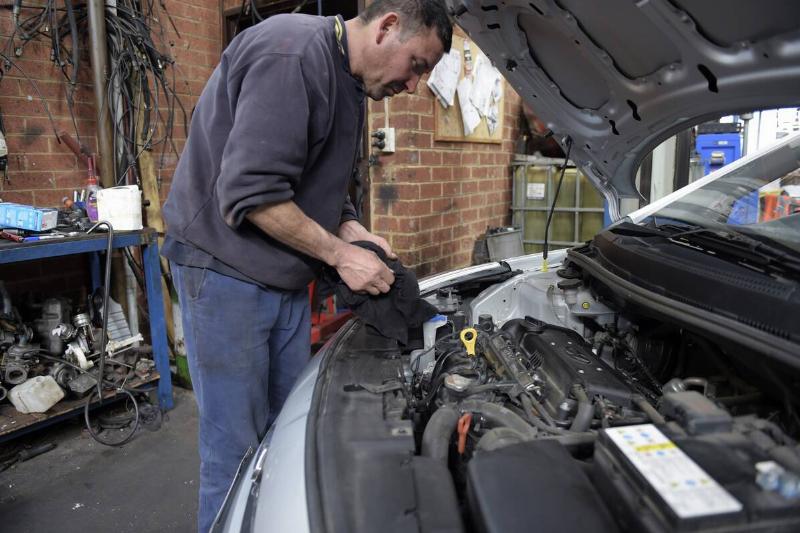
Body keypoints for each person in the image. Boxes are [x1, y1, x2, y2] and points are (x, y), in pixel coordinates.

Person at [161, 1, 452, 530]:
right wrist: (340, 255)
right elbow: (252, 193)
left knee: (287, 434)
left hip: (283, 276)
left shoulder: (351, 79)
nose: (415, 85)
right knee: (236, 452)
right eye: (418, 64)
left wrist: (351, 228)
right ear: (388, 26)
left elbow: (315, 178)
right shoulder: (291, 55)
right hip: (226, 270)